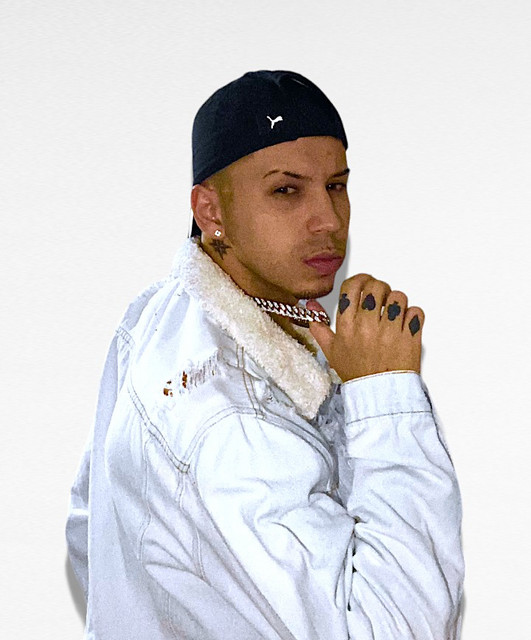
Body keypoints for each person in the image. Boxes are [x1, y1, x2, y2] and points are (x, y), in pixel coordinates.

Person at [66, 70, 464, 639]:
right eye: (286, 191)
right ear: (211, 211)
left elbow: (92, 532)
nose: (329, 221)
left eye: (336, 185)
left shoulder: (159, 314)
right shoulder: (233, 427)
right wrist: (385, 398)